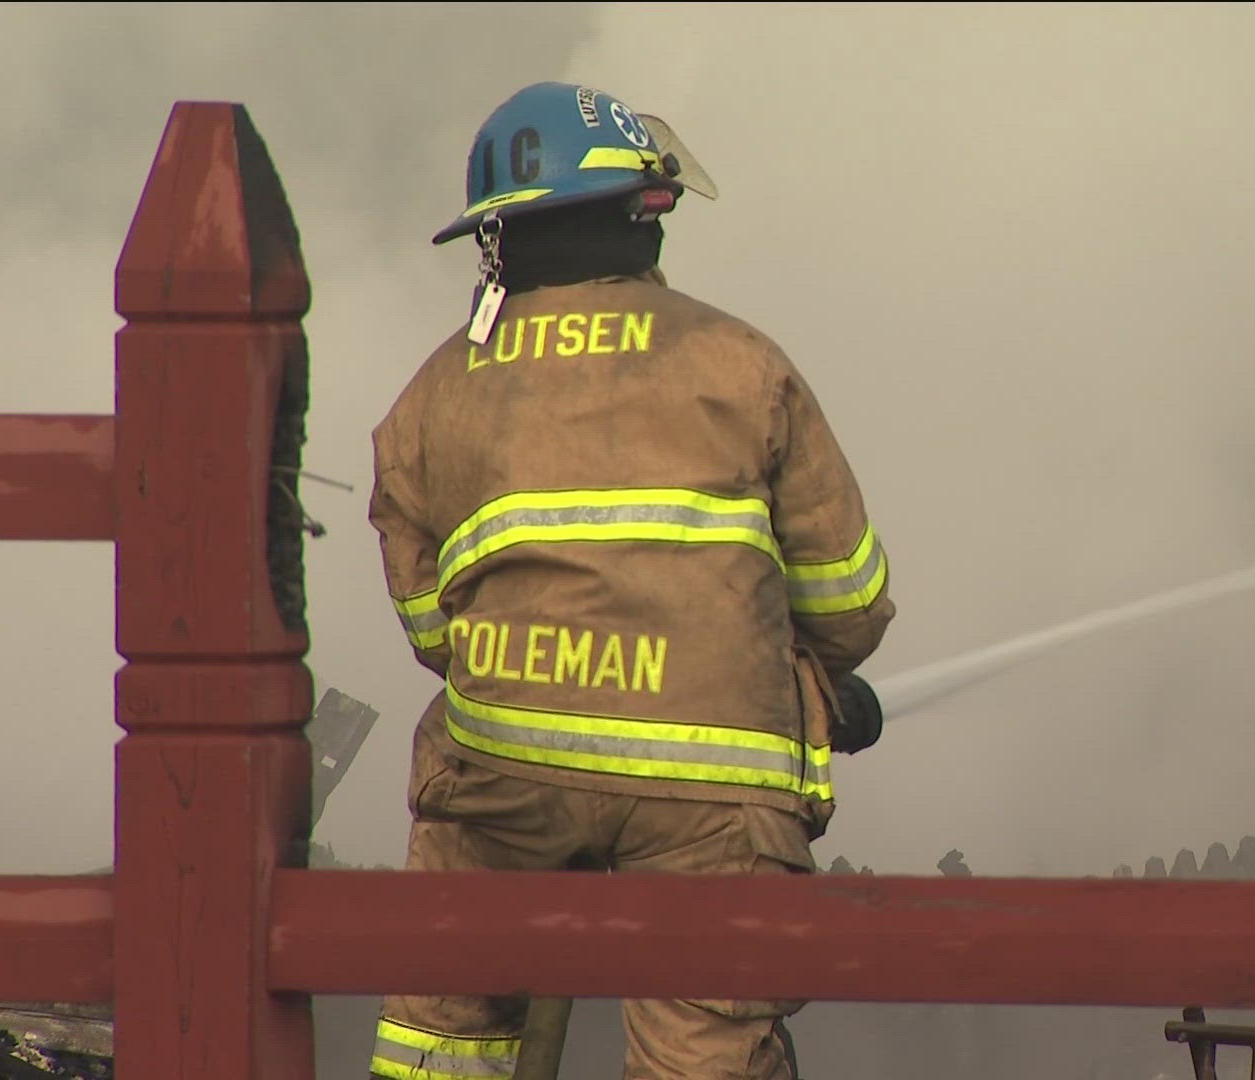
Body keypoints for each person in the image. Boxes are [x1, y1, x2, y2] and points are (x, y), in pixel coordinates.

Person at [366, 81, 895, 1080]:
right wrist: (801, 672)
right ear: (644, 211)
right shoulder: (743, 365)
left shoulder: (432, 393)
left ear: (496, 240)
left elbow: (430, 626)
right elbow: (848, 603)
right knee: (707, 1045)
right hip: (713, 800)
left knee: (445, 1020)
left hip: (507, 781)